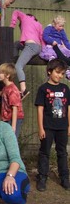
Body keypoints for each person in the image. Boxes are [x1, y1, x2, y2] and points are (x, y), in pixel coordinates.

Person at [35, 58, 70, 191]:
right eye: (57, 72)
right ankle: (42, 177)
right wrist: (41, 128)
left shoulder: (65, 88)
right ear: (49, 71)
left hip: (62, 127)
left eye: (62, 74)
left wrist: (68, 126)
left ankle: (64, 178)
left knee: (62, 153)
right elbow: (40, 109)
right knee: (45, 153)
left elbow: (68, 108)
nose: (60, 76)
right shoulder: (43, 89)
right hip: (48, 127)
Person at [10, 10, 43, 100]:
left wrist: (11, 26)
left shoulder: (25, 18)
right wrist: (44, 50)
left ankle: (24, 90)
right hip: (37, 47)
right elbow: (42, 38)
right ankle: (16, 58)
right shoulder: (39, 24)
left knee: (18, 66)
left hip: (31, 46)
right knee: (17, 44)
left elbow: (16, 12)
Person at [0, 63, 24, 138]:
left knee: (11, 139)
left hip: (13, 118)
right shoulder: (7, 87)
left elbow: (15, 108)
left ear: (7, 75)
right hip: (6, 118)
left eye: (0, 73)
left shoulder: (12, 90)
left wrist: (13, 127)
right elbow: (3, 93)